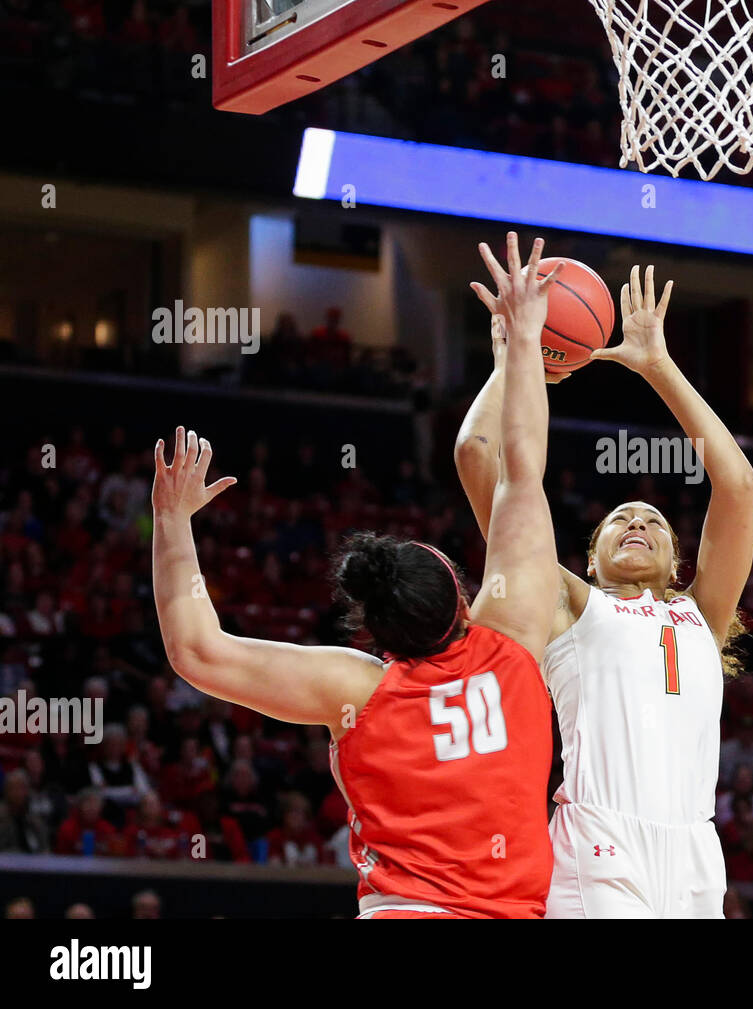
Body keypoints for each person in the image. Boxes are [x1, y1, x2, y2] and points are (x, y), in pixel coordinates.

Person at [151, 232, 563, 918]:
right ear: (465, 601)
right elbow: (522, 467)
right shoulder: (513, 640)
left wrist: (172, 523)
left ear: (374, 630)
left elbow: (197, 649)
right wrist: (520, 341)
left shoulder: (357, 687)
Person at [456, 263, 753, 918]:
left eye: (652, 519)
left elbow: (737, 485)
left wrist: (657, 365)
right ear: (589, 560)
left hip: (696, 851)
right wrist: (513, 356)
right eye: (620, 517)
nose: (638, 521)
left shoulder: (699, 614)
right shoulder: (567, 602)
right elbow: (478, 455)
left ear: (677, 560)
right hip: (599, 838)